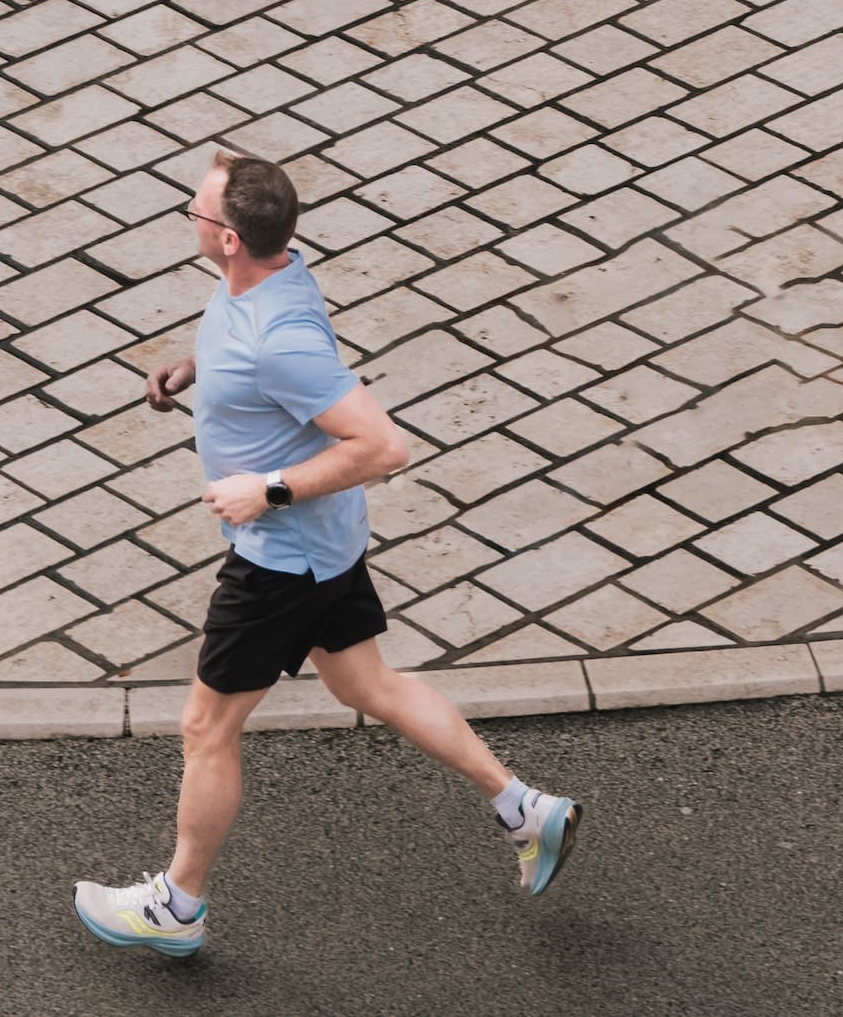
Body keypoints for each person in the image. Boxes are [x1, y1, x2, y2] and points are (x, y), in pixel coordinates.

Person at [73, 151, 582, 958]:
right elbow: (246, 348)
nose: (191, 220)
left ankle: (177, 907)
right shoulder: (268, 275)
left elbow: (383, 445)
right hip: (327, 545)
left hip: (282, 557)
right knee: (365, 682)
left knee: (205, 726)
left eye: (198, 214)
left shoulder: (281, 338)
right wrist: (195, 368)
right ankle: (524, 807)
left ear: (231, 238)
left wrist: (266, 489)